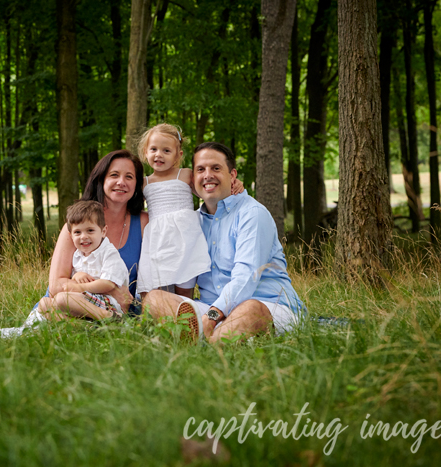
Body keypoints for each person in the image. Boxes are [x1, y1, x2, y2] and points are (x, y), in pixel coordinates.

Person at [0, 150, 148, 339]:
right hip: (74, 304)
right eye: (114, 175)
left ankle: (86, 326)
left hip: (111, 307)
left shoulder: (144, 222)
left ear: (137, 184)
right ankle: (74, 325)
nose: (121, 182)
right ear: (101, 179)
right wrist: (109, 287)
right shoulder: (77, 225)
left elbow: (150, 281)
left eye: (129, 177)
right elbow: (56, 286)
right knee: (46, 308)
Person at [143, 142, 305, 344]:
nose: (208, 175)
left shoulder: (252, 214)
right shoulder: (192, 222)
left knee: (250, 309)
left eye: (216, 168)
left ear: (233, 175)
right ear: (193, 179)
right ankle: (205, 338)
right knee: (154, 299)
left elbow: (246, 278)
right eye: (201, 169)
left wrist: (212, 316)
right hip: (209, 307)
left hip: (267, 304)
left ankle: (207, 345)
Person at [135, 123, 211, 298]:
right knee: (157, 284)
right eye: (153, 149)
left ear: (178, 155)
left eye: (166, 151)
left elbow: (207, 192)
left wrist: (232, 185)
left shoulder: (185, 174)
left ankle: (187, 316)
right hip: (158, 240)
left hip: (185, 238)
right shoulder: (144, 182)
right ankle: (163, 319)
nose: (158, 155)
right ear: (145, 152)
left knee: (185, 285)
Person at [38, 200, 129, 320]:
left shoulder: (109, 253)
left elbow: (108, 284)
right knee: (44, 304)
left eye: (90, 230)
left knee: (61, 298)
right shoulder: (78, 255)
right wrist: (77, 276)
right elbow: (79, 278)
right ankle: (84, 329)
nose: (84, 236)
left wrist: (79, 288)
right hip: (85, 300)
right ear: (71, 236)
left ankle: (109, 317)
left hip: (108, 303)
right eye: (77, 232)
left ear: (103, 232)